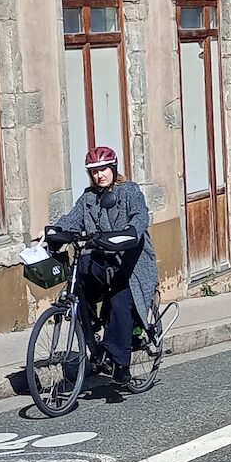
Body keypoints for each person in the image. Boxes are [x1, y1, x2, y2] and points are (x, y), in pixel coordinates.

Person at [48, 146, 155, 388]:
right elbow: (71, 220)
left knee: (119, 303)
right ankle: (91, 325)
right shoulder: (88, 199)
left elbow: (140, 216)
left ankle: (121, 365)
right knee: (80, 275)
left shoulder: (129, 191)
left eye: (104, 169)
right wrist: (53, 232)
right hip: (103, 261)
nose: (99, 175)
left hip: (131, 266)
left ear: (113, 169)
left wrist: (130, 232)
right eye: (94, 171)